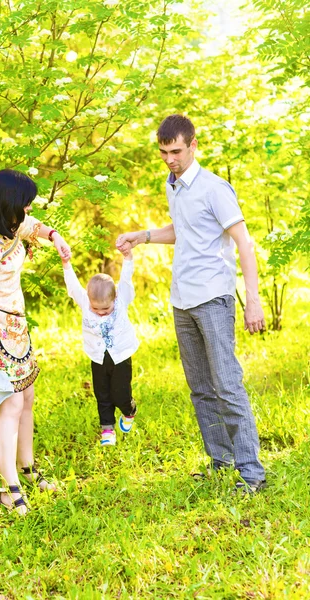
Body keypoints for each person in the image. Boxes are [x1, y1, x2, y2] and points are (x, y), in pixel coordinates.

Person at [116, 114, 266, 493]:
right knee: (200, 387)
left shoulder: (215, 189)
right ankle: (221, 462)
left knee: (227, 385)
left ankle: (252, 474)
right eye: (164, 152)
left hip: (213, 298)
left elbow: (244, 244)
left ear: (193, 146)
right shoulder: (174, 186)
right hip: (182, 300)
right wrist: (144, 235)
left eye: (176, 151)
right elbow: (182, 230)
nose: (170, 159)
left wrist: (253, 300)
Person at [0, 169, 71, 514]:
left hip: (16, 327)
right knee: (9, 405)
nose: (28, 211)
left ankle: (27, 471)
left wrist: (55, 236)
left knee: (26, 395)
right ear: (8, 204)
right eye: (24, 205)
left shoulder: (10, 224)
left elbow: (32, 226)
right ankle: (9, 489)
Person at [62, 245, 139, 446]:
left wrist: (128, 258)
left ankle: (129, 410)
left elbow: (126, 280)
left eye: (106, 308)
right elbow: (72, 287)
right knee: (102, 393)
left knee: (120, 393)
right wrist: (66, 264)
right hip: (97, 356)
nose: (101, 312)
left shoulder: (122, 299)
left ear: (115, 299)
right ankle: (107, 428)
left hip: (120, 355)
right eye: (96, 308)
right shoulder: (85, 302)